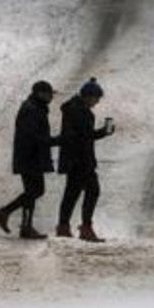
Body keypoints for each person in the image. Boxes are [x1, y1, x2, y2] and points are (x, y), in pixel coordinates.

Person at [0, 80, 60, 240]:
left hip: (30, 156)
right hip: (30, 157)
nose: (51, 97)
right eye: (49, 93)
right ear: (40, 93)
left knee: (33, 191)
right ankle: (7, 214)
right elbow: (32, 136)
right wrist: (53, 141)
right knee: (35, 191)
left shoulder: (35, 107)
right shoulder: (32, 109)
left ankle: (23, 224)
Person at [55, 78, 114, 243]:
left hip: (76, 159)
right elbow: (84, 137)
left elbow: (82, 136)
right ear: (88, 96)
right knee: (91, 191)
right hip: (80, 160)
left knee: (72, 193)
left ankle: (64, 227)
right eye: (96, 98)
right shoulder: (79, 111)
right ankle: (84, 228)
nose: (97, 102)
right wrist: (103, 132)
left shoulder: (75, 108)